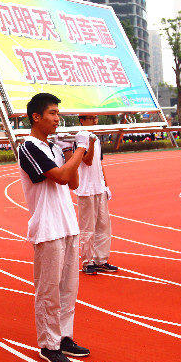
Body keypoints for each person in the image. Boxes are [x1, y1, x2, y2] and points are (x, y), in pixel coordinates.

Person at [18, 93, 92, 362]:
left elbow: (72, 182)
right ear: (36, 117)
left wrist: (71, 150)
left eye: (58, 113)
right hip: (47, 228)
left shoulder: (54, 148)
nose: (57, 119)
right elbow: (59, 177)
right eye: (52, 113)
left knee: (68, 289)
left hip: (67, 224)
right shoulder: (28, 148)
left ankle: (64, 337)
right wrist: (81, 150)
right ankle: (48, 344)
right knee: (48, 290)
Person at [74, 114, 117, 275]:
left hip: (99, 188)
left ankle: (101, 260)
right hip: (86, 189)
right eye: (91, 118)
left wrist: (106, 185)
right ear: (82, 120)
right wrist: (90, 142)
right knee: (88, 227)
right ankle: (87, 261)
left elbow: (99, 163)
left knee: (104, 225)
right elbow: (88, 160)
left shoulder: (96, 138)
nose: (95, 120)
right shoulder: (80, 137)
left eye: (96, 117)